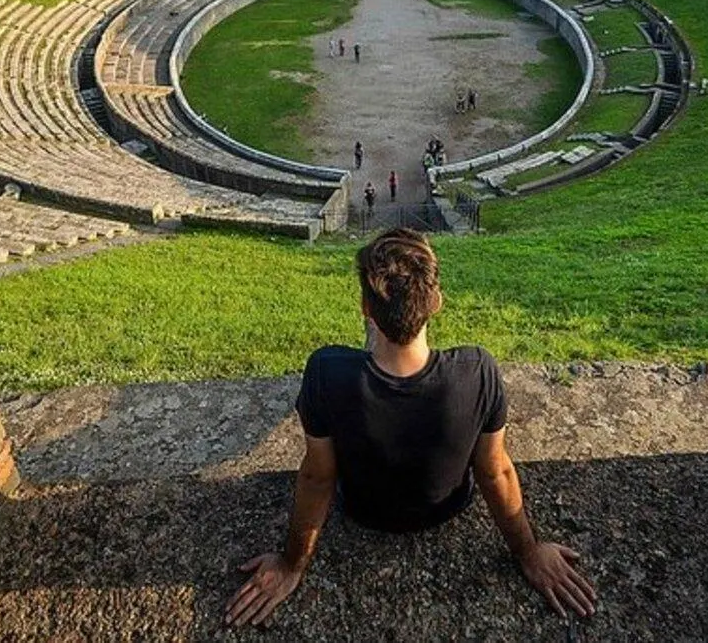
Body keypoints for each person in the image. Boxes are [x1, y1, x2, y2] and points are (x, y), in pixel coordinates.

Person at [225, 229, 597, 628]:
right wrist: (528, 552)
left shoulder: (327, 372)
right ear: (436, 302)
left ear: (365, 307)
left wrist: (292, 563)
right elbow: (495, 471)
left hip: (362, 512)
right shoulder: (477, 371)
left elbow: (318, 476)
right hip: (447, 509)